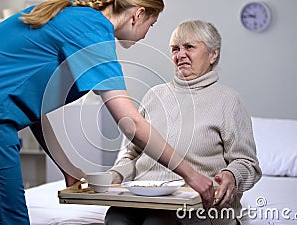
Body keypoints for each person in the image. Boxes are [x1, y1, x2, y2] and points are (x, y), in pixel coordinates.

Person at [0, 1, 216, 225]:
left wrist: (67, 168)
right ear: (137, 14)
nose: (147, 32)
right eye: (151, 24)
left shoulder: (75, 17)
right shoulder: (91, 29)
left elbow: (37, 110)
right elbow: (132, 125)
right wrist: (193, 175)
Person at [105, 20, 262, 225]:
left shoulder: (228, 101)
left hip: (195, 205)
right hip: (142, 199)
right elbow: (131, 153)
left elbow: (248, 163)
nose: (180, 55)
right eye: (175, 49)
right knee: (115, 218)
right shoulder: (154, 95)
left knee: (156, 222)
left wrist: (232, 175)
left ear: (214, 54)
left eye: (189, 47)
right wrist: (116, 174)